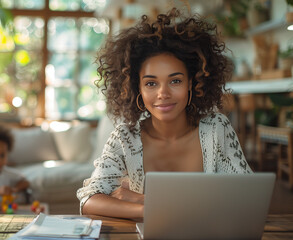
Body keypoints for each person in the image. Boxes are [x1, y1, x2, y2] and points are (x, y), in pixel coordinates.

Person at [76, 8, 253, 219]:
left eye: (175, 81)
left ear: (192, 83)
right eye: (151, 83)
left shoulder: (216, 128)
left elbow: (246, 198)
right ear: (137, 89)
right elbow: (89, 200)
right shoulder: (125, 137)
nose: (163, 94)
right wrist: (150, 209)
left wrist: (138, 197)